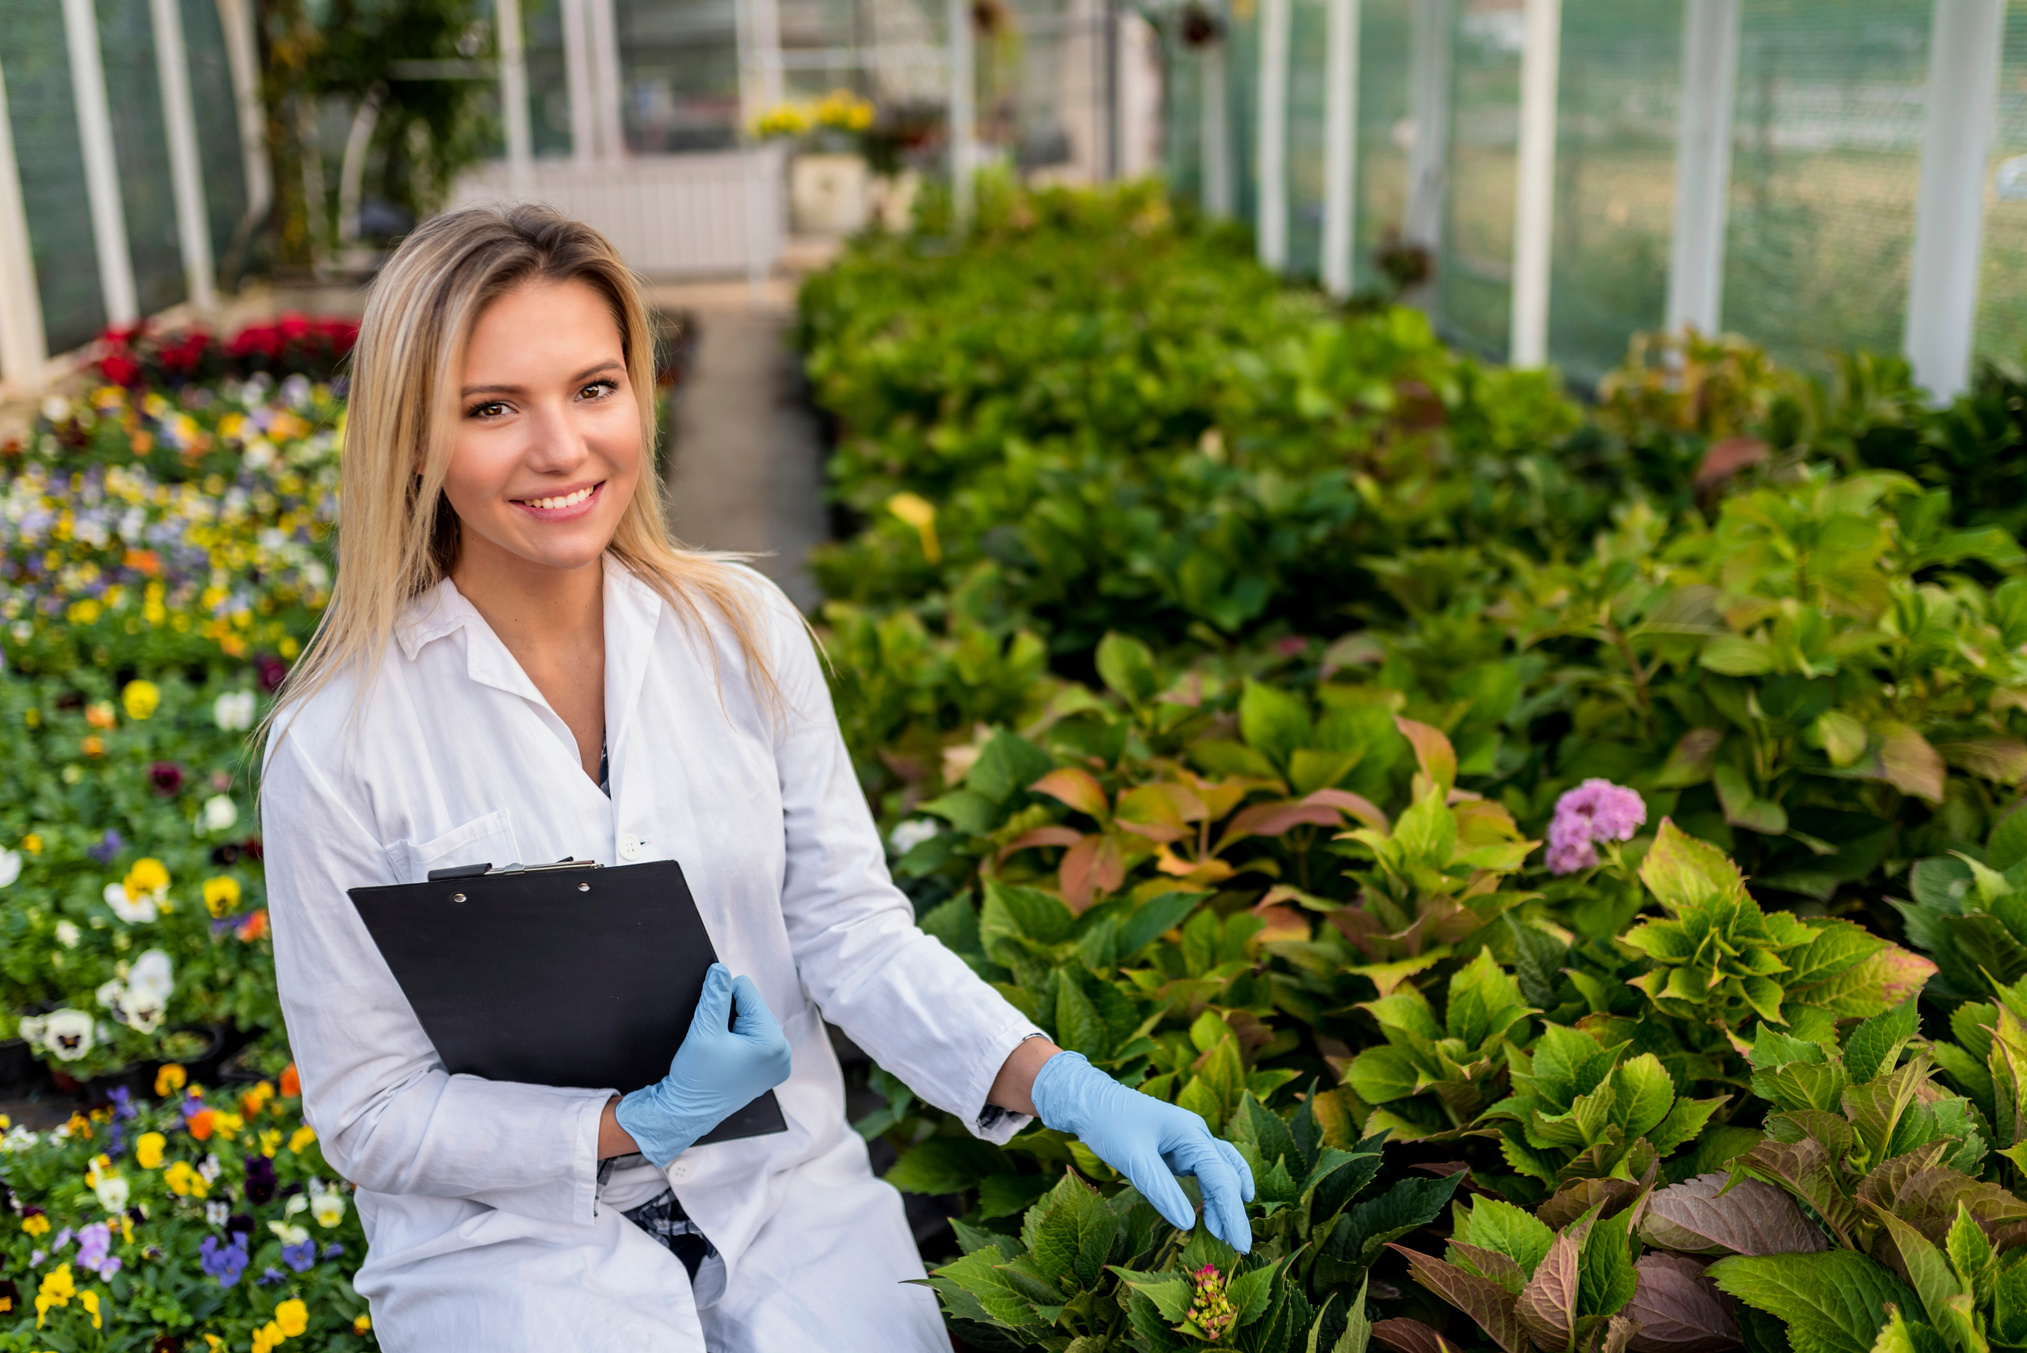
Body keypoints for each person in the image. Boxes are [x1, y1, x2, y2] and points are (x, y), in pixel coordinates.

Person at [257, 204, 1254, 1352]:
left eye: (594, 388)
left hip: (786, 1203)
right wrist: (633, 1125)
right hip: (510, 1248)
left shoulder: (741, 631)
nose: (561, 448)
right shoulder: (339, 744)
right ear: (414, 442)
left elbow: (849, 933)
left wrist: (1064, 1084)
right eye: (492, 408)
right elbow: (371, 1111)